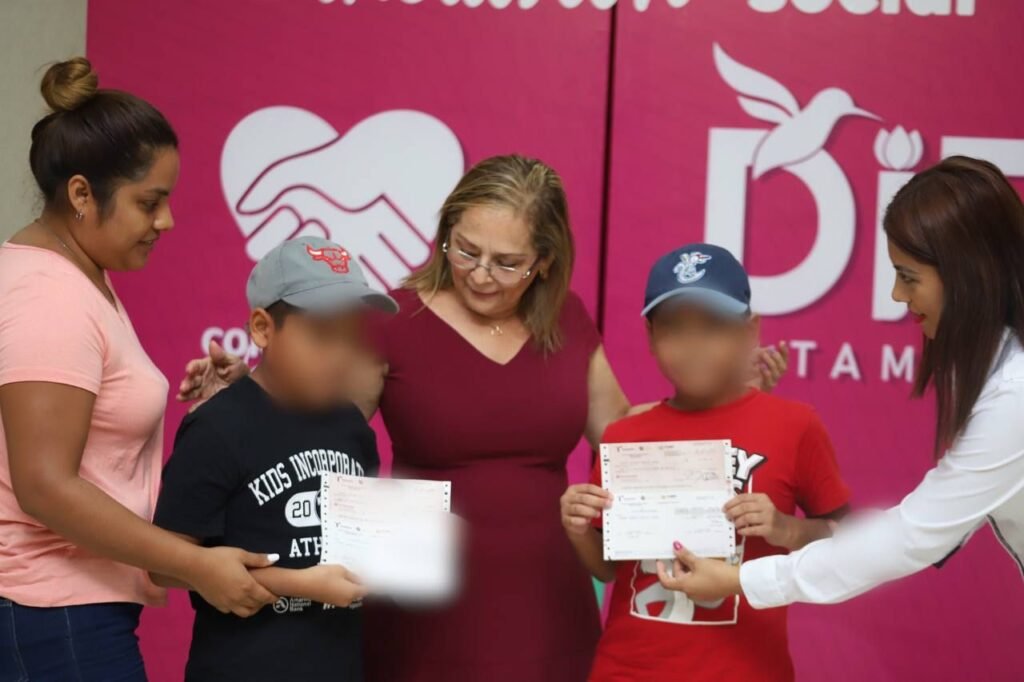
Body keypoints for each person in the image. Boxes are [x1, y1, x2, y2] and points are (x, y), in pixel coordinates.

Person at [178, 156, 790, 681]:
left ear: (544, 261)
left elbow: (625, 431)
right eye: (465, 249)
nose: (479, 273)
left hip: (548, 595)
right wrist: (247, 389)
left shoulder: (568, 317)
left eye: (506, 261)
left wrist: (725, 398)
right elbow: (317, 428)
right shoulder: (394, 319)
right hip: (422, 598)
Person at [0, 58, 277, 682]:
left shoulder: (76, 276)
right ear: (81, 195)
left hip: (68, 610)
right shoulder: (47, 295)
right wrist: (196, 564)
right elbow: (44, 486)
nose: (166, 221)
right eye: (149, 202)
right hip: (52, 615)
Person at [657, 156, 1024, 611]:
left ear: (971, 274)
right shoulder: (1001, 378)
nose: (897, 295)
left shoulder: (1014, 397)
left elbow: (910, 536)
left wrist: (740, 579)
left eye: (909, 277)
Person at [560, 243, 849, 681]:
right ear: (650, 336)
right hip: (628, 670)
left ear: (750, 330)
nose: (693, 346)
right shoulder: (624, 437)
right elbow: (608, 567)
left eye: (713, 325)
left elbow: (851, 544)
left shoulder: (795, 426)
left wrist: (787, 529)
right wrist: (577, 527)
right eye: (674, 328)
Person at [151, 237, 396, 681]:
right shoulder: (217, 427)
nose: (341, 355)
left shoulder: (353, 429)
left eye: (352, 337)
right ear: (263, 328)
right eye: (322, 335)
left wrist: (408, 548)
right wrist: (299, 582)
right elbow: (164, 565)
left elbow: (361, 552)